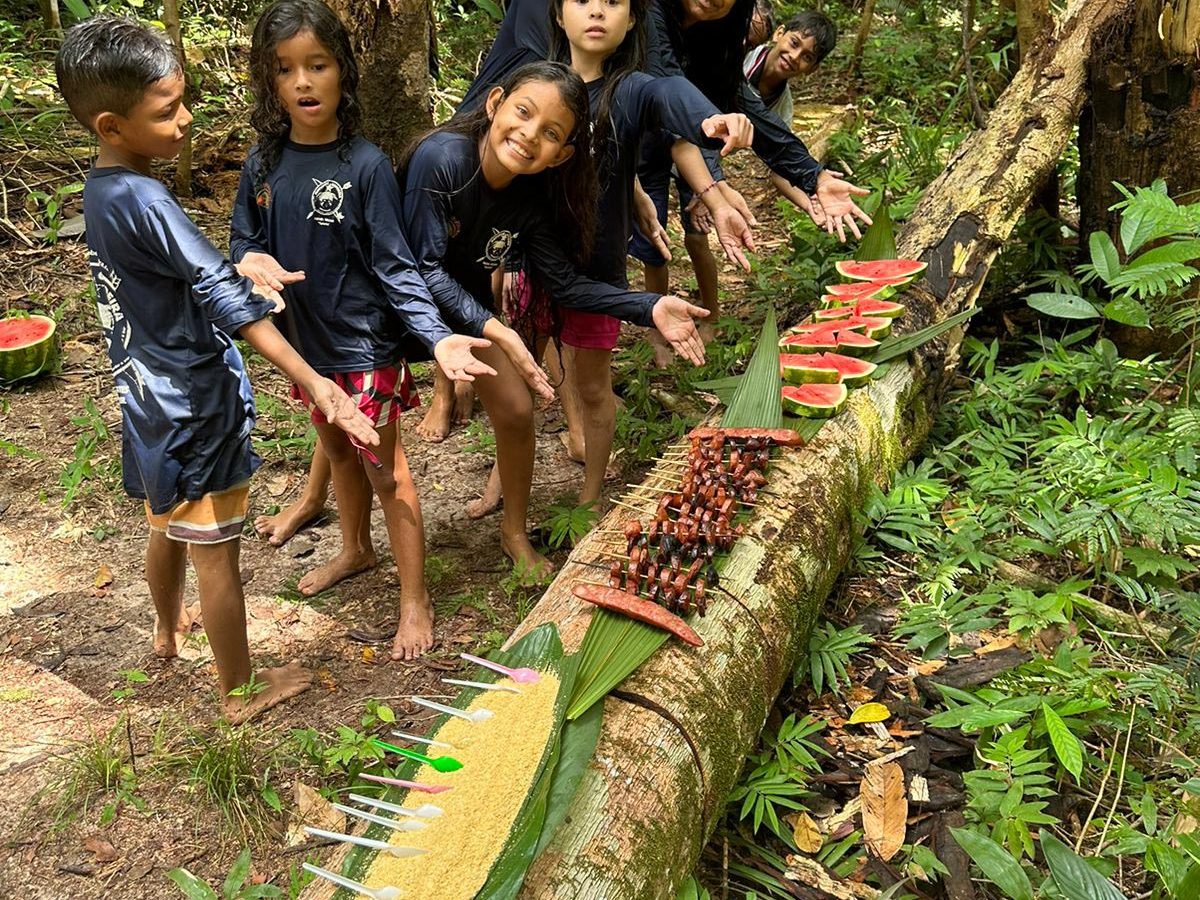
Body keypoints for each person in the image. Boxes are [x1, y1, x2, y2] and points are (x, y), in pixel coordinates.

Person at [55, 15, 379, 722]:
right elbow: (227, 301)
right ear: (111, 125)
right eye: (167, 111)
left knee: (162, 521)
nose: (184, 121)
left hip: (143, 396)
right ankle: (241, 690)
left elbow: (171, 276)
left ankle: (167, 631)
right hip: (194, 402)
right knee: (216, 555)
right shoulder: (150, 198)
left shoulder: (105, 190)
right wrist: (320, 381)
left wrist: (236, 265)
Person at [231, 0, 500, 660]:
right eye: (285, 69)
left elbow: (396, 265)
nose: (301, 82)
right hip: (307, 352)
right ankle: (354, 547)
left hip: (365, 350)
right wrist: (244, 259)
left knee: (387, 471)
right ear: (269, 82)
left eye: (316, 65)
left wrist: (435, 338)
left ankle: (416, 600)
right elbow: (242, 239)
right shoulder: (262, 166)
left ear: (341, 73)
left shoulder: (367, 166)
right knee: (338, 450)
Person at [422, 0, 753, 514]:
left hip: (597, 270)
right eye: (581, 0)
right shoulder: (535, 87)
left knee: (594, 387)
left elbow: (667, 95)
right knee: (523, 381)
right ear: (558, 15)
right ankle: (500, 484)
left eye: (614, 2)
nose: (596, 11)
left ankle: (592, 498)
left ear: (633, 21)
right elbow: (502, 184)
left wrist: (709, 121)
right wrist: (505, 265)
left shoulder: (633, 88)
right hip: (530, 262)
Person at [401, 61, 711, 576]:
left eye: (550, 133)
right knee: (357, 425)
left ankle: (513, 531)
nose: (528, 137)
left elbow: (566, 284)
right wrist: (497, 327)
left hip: (468, 313)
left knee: (518, 410)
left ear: (563, 154)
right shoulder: (444, 159)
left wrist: (648, 306)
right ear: (495, 102)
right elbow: (421, 267)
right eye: (523, 113)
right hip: (397, 304)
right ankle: (335, 521)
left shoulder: (530, 196)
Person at [631, 0, 872, 363]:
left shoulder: (718, 46)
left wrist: (814, 177)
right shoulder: (651, 16)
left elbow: (742, 110)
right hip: (635, 140)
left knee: (681, 236)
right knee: (635, 241)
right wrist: (715, 187)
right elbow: (671, 87)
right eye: (793, 44)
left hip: (691, 143)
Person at [742, 11, 838, 222]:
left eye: (807, 57)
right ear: (779, 33)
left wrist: (809, 203)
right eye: (794, 43)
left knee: (696, 235)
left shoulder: (782, 107)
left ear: (812, 69)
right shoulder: (742, 56)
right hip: (679, 134)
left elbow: (780, 164)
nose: (794, 57)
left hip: (702, 158)